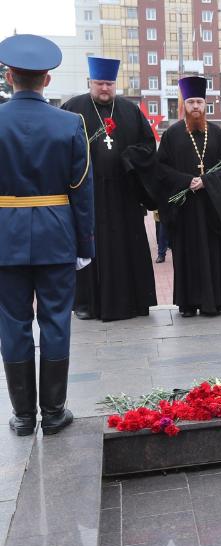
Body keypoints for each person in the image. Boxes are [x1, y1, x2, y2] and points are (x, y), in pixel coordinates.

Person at [0, 34, 94, 436]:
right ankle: (53, 413)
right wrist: (85, 245)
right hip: (58, 235)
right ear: (47, 81)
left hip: (5, 236)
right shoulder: (70, 123)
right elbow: (82, 192)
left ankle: (23, 417)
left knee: (12, 323)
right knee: (56, 321)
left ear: (9, 77)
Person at [61, 56, 157, 322]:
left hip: (124, 194)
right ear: (90, 82)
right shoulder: (73, 108)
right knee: (89, 248)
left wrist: (130, 158)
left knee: (128, 245)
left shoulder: (130, 110)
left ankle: (135, 301)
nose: (105, 89)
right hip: (87, 195)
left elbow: (149, 146)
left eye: (109, 84)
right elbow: (61, 147)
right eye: (100, 83)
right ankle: (86, 303)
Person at [154, 76, 221, 318]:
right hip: (186, 209)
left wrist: (208, 181)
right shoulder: (172, 135)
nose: (196, 107)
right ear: (184, 105)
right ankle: (188, 303)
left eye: (200, 102)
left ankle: (215, 302)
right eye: (191, 102)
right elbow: (161, 169)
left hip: (212, 208)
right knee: (187, 254)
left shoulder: (219, 134)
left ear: (205, 103)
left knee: (212, 255)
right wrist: (186, 181)